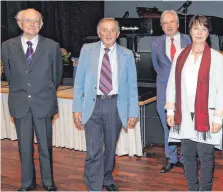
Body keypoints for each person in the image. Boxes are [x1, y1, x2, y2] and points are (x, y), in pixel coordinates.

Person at [72, 17, 139, 191]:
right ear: (98, 32)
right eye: (104, 30)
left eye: (112, 30)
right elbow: (78, 82)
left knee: (109, 149)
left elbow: (132, 85)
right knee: (94, 150)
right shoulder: (87, 50)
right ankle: (94, 185)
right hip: (92, 106)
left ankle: (107, 177)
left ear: (117, 34)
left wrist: (133, 110)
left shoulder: (127, 54)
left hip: (115, 106)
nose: (108, 34)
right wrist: (77, 107)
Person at [1, 8, 62, 191]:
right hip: (20, 104)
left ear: (41, 25)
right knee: (24, 148)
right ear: (20, 24)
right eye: (28, 21)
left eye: (36, 21)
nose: (32, 24)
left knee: (45, 147)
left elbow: (56, 76)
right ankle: (27, 183)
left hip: (43, 103)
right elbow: (10, 76)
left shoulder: (52, 46)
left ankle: (48, 182)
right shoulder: (7, 46)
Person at [165, 15, 223, 191]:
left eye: (203, 29)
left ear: (208, 33)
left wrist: (218, 118)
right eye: (195, 28)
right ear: (190, 31)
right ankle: (192, 188)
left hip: (207, 116)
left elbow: (222, 89)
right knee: (188, 155)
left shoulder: (216, 58)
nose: (199, 32)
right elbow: (172, 84)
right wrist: (170, 112)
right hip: (184, 115)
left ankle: (205, 189)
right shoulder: (180, 55)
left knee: (206, 156)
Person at [151, 9, 191, 173]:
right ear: (161, 26)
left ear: (178, 23)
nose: (168, 25)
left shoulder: (189, 39)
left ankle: (185, 158)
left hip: (186, 90)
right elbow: (156, 66)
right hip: (164, 90)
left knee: (187, 125)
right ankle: (171, 158)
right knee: (167, 126)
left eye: (171, 22)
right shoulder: (156, 43)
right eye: (165, 23)